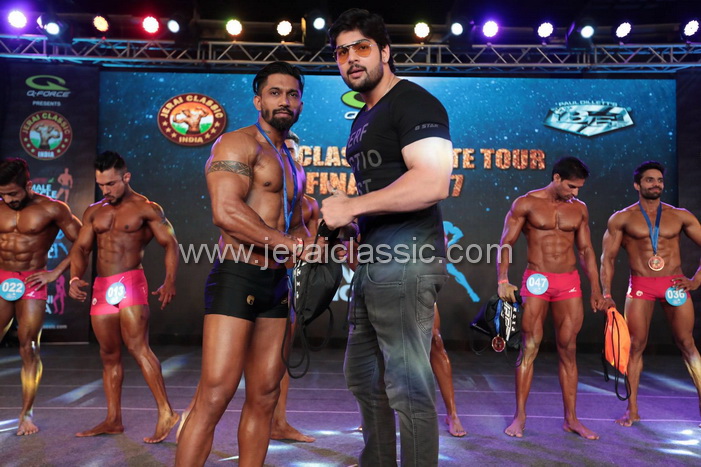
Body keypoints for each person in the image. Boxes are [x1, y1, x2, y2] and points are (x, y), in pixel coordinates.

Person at [322, 9, 454, 466]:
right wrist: (353, 227)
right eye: (342, 52)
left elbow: (433, 181)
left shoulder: (412, 102)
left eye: (362, 48)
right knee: (362, 376)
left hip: (407, 259)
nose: (351, 59)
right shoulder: (365, 115)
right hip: (375, 262)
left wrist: (352, 206)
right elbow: (384, 189)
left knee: (407, 385)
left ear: (385, 51)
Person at [175, 61, 313, 467]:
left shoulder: (292, 162)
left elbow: (298, 225)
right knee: (215, 394)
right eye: (275, 93)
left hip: (278, 284)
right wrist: (287, 243)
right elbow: (226, 212)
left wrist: (317, 243)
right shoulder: (236, 144)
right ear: (258, 101)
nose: (284, 101)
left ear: (300, 103)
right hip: (238, 275)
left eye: (292, 94)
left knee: (266, 395)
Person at [68, 151, 179, 444]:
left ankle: (166, 412)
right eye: (101, 185)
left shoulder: (146, 208)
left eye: (111, 184)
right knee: (108, 354)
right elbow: (81, 248)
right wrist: (75, 277)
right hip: (102, 287)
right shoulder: (94, 211)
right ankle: (113, 419)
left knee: (138, 347)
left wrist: (169, 280)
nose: (106, 190)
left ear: (126, 177)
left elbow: (170, 243)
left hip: (130, 282)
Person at [497, 156, 605, 440]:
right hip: (537, 279)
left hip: (568, 281)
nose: (575, 192)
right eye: (571, 186)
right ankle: (520, 416)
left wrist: (597, 288)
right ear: (556, 178)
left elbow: (586, 250)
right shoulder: (526, 203)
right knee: (529, 346)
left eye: (579, 188)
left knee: (568, 348)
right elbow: (506, 243)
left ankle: (571, 419)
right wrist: (502, 279)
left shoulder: (579, 209)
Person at [600, 160, 701, 427]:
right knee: (635, 346)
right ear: (637, 185)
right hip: (641, 285)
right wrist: (606, 293)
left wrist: (696, 280)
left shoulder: (679, 215)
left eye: (659, 180)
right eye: (649, 180)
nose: (656, 184)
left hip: (674, 285)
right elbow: (607, 259)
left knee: (687, 343)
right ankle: (632, 410)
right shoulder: (622, 218)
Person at [0, 157, 81, 435]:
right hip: (2, 276)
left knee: (29, 346)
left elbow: (83, 241)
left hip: (33, 280)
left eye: (13, 193)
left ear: (28, 185)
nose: (9, 199)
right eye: (3, 194)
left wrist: (56, 272)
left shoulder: (53, 209)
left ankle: (26, 414)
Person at [430, 304, 467, 437]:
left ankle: (452, 414)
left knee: (435, 340)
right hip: (385, 293)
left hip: (419, 292)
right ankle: (377, 415)